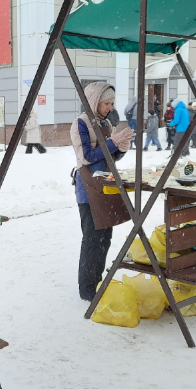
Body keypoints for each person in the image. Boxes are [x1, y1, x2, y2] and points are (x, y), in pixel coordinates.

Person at [71, 82, 135, 301]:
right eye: (106, 103)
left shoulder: (104, 122)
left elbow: (108, 156)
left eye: (111, 103)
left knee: (104, 238)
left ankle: (97, 281)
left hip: (105, 183)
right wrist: (112, 143)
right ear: (94, 101)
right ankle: (87, 289)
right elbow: (88, 157)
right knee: (92, 238)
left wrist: (120, 149)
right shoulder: (79, 124)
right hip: (88, 187)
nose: (110, 107)